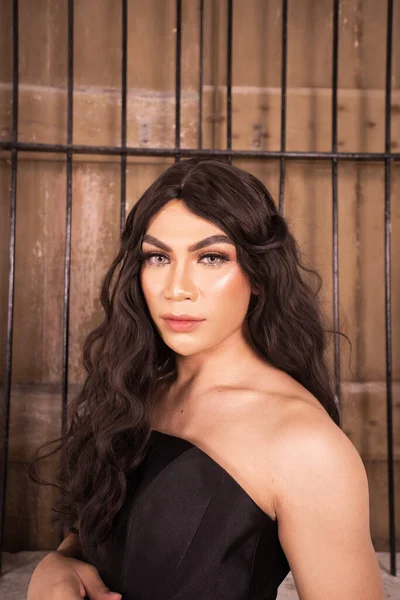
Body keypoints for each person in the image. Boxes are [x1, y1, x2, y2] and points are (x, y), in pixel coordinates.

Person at [27, 158, 384, 600]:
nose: (177, 287)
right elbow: (104, 537)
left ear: (259, 275)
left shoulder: (306, 445)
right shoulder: (132, 392)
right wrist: (59, 562)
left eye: (211, 257)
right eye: (158, 257)